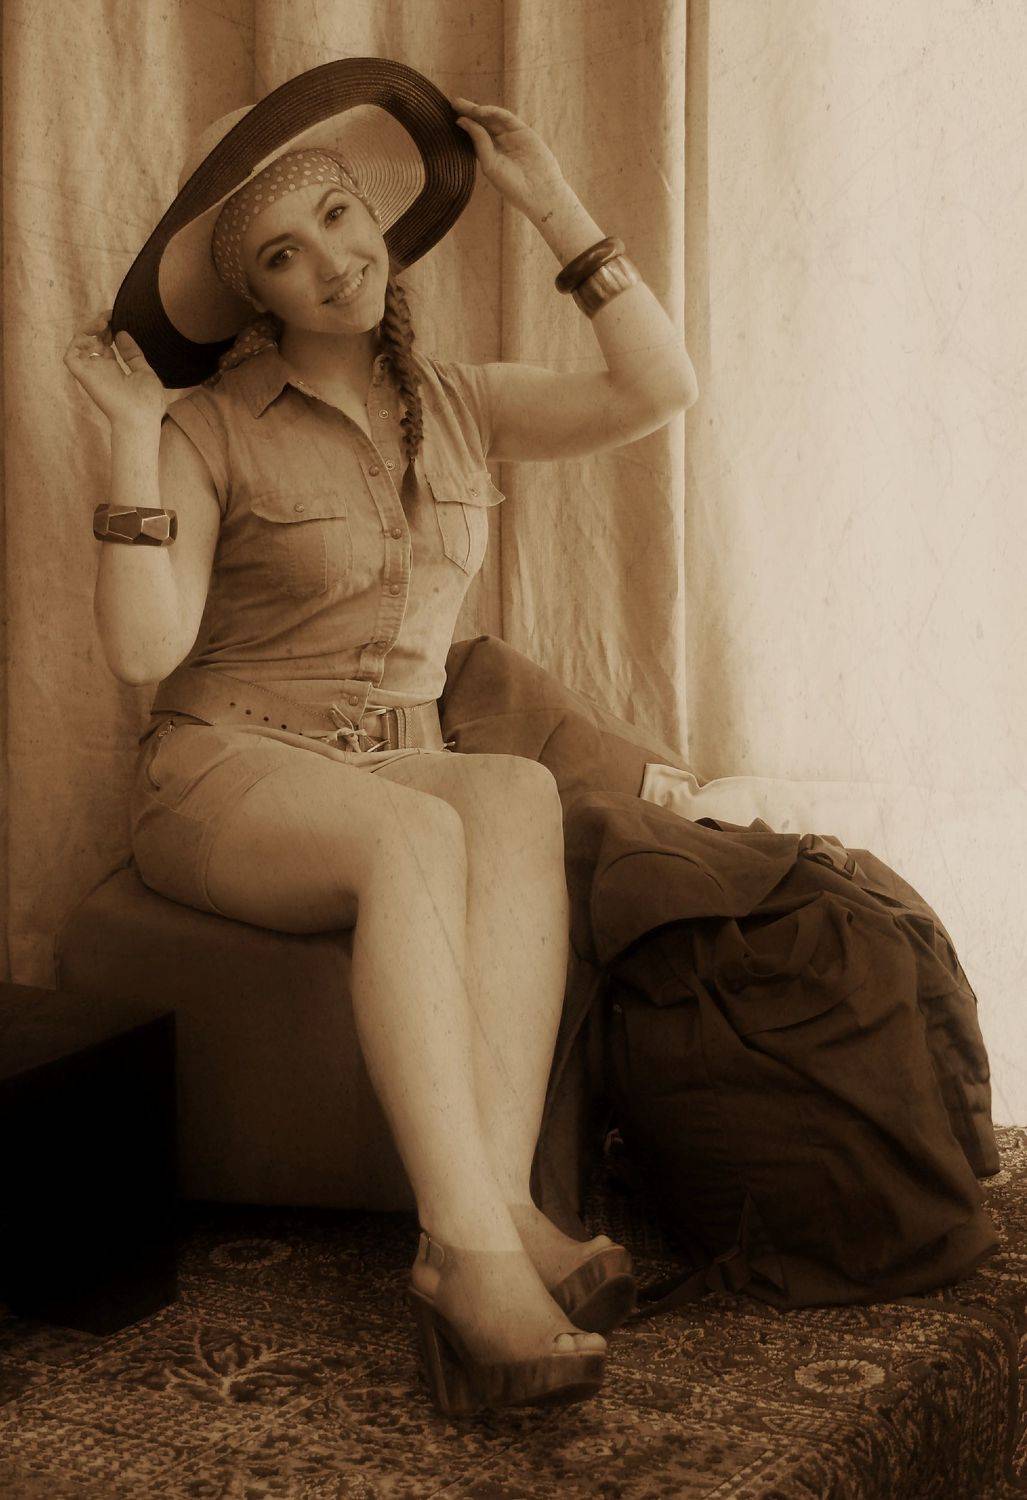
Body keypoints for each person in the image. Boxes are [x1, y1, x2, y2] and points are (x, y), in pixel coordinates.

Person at [64, 58, 698, 1416]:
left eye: (339, 217)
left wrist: (555, 206)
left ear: (379, 217)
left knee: (513, 792)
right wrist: (127, 440)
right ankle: (463, 1252)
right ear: (256, 295)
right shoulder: (204, 427)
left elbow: (658, 389)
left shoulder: (460, 403)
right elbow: (144, 651)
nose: (330, 263)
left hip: (383, 754)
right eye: (281, 255)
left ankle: (502, 1208)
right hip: (223, 769)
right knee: (414, 831)